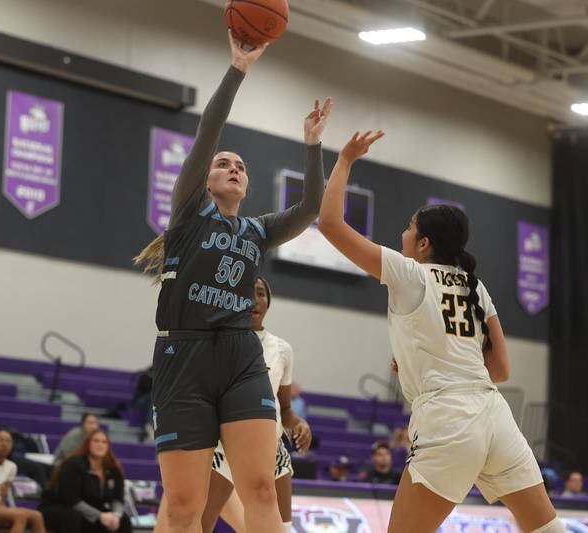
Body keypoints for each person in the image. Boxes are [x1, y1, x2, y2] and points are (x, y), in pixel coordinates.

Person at [133, 30, 330, 533]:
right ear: (206, 178)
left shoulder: (257, 230)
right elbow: (209, 131)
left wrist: (312, 145)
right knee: (183, 508)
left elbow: (310, 208)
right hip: (184, 358)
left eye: (241, 166)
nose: (233, 168)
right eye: (224, 164)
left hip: (241, 356)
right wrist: (237, 69)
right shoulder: (189, 211)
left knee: (261, 490)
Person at [318, 131, 563, 532]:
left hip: (448, 419)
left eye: (408, 228)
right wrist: (423, 359)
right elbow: (500, 369)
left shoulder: (409, 272)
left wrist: (345, 160)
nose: (402, 235)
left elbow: (329, 224)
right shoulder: (475, 286)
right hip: (495, 415)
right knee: (545, 527)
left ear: (423, 243)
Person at [201, 277, 313, 533]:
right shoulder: (218, 341)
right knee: (201, 525)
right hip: (226, 447)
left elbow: (285, 411)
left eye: (261, 293)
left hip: (270, 449)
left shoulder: (282, 350)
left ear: (268, 301)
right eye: (248, 293)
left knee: (280, 529)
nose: (255, 300)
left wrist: (298, 423)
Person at [41, 429, 132, 533]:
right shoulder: (73, 464)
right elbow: (70, 499)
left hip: (91, 511)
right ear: (87, 444)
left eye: (104, 442)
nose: (100, 445)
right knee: (73, 517)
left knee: (123, 519)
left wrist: (116, 516)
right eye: (96, 441)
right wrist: (99, 515)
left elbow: (118, 498)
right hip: (61, 507)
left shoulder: (113, 469)